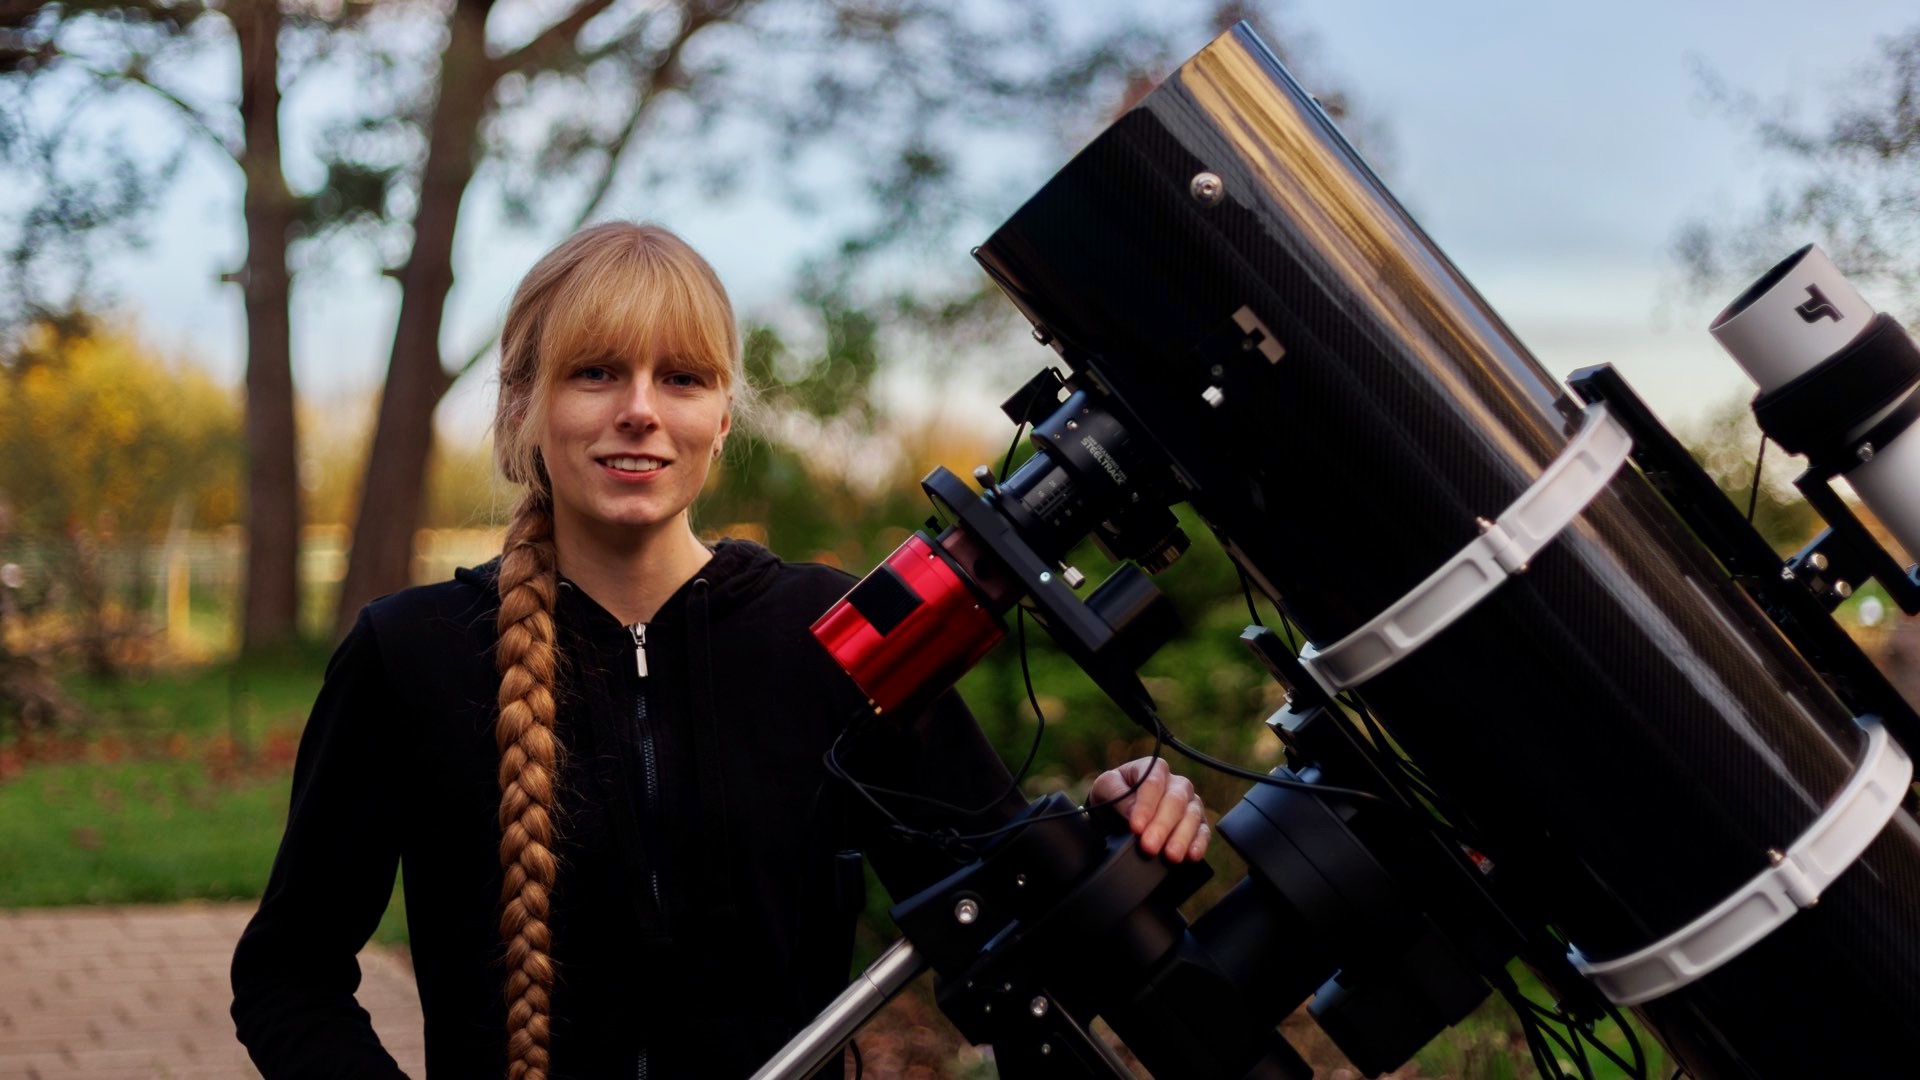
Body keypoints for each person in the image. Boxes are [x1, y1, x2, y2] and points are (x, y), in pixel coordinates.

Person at [230, 222, 1211, 1079]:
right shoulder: (408, 657)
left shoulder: (839, 638)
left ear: (723, 415)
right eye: (596, 371)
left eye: (682, 378)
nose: (642, 409)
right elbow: (288, 975)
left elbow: (1009, 913)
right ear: (523, 403)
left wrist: (1114, 826)